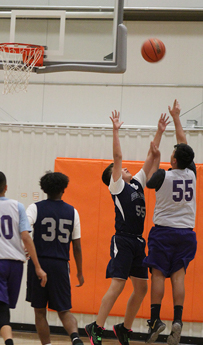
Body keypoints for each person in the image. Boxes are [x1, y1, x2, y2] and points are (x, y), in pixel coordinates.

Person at [85, 110, 169, 345]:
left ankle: (124, 328)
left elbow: (151, 158)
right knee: (117, 286)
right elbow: (118, 155)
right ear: (114, 175)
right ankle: (96, 327)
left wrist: (159, 132)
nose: (124, 168)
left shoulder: (137, 184)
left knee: (141, 289)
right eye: (119, 169)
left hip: (138, 242)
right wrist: (115, 130)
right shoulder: (117, 186)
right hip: (122, 239)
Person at [143, 100, 197, 345]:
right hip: (186, 234)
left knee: (157, 274)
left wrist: (156, 156)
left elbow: (149, 180)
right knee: (179, 276)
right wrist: (177, 117)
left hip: (164, 232)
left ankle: (155, 320)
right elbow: (183, 141)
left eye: (173, 154)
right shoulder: (192, 173)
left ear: (173, 161)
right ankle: (177, 320)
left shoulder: (164, 175)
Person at [0, 171, 47, 345]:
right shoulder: (17, 206)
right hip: (16, 263)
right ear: (6, 187)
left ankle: (8, 341)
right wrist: (37, 266)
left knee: (0, 304)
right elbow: (26, 237)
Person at [26, 171, 84, 345]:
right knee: (64, 310)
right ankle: (75, 338)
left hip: (39, 262)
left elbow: (25, 233)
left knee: (39, 311)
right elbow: (77, 246)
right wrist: (80, 272)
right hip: (60, 264)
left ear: (44, 189)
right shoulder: (73, 212)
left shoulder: (35, 208)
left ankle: (47, 344)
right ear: (64, 189)